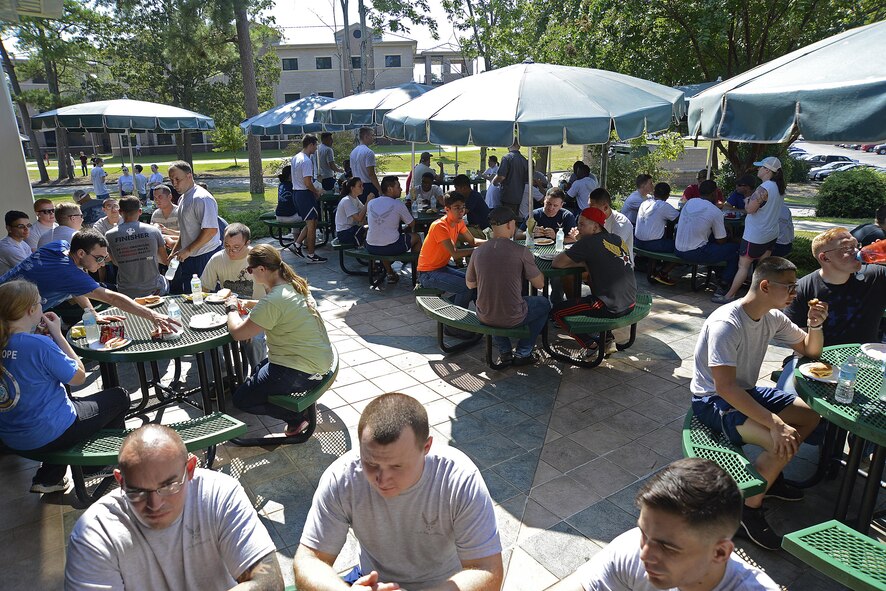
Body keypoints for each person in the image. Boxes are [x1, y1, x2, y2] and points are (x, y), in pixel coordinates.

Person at [294, 392, 503, 591]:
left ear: (426, 447)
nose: (382, 480)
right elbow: (309, 560)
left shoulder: (458, 479)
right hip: (371, 579)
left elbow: (487, 569)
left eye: (397, 466)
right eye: (370, 463)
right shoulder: (342, 477)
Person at [691, 257, 825, 549]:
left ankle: (770, 477)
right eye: (790, 287)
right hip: (712, 399)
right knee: (782, 442)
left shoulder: (771, 317)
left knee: (810, 417)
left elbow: (810, 350)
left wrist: (815, 325)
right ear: (765, 285)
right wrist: (775, 423)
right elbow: (725, 388)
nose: (795, 293)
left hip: (746, 391)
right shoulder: (727, 323)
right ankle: (747, 511)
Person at [65, 424, 283, 590]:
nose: (154, 504)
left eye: (168, 485)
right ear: (120, 481)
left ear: (190, 470)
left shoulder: (219, 493)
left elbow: (270, 580)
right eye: (138, 491)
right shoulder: (93, 535)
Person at [551, 458, 780, 591]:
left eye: (668, 547)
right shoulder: (632, 548)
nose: (645, 554)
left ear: (720, 552)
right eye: (644, 533)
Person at [0, 280, 129, 494]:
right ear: (31, 310)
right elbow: (78, 377)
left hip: (11, 437)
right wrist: (58, 336)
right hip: (47, 434)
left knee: (65, 405)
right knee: (119, 397)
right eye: (40, 302)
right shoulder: (39, 345)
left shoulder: (18, 342)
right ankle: (96, 466)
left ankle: (49, 478)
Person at [225, 245, 333, 437]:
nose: (249, 274)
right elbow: (279, 308)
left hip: (301, 370)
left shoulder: (273, 301)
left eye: (250, 269)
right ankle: (263, 391)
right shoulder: (294, 284)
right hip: (317, 359)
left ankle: (296, 417)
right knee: (259, 368)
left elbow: (238, 333)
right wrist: (251, 305)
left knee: (241, 400)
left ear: (261, 269)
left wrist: (231, 309)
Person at [0, 230, 178, 331]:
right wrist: (154, 316)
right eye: (99, 258)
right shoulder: (68, 272)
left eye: (105, 258)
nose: (102, 264)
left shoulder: (59, 246)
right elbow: (112, 298)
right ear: (80, 253)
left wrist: (92, 313)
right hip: (7, 317)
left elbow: (76, 287)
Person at [466, 207, 550, 366]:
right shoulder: (521, 251)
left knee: (495, 301)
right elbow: (540, 284)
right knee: (544, 303)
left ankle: (505, 351)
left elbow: (470, 284)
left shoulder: (478, 252)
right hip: (512, 315)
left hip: (484, 314)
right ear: (510, 225)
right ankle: (523, 351)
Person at [552, 207, 636, 352]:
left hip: (610, 307)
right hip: (630, 302)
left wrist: (582, 259)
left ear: (596, 226)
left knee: (556, 312)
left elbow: (557, 263)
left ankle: (591, 346)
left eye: (582, 225)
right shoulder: (616, 239)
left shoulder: (588, 243)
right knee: (590, 295)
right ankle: (607, 338)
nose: (578, 228)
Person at [784, 227, 886, 345]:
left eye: (856, 245)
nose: (856, 251)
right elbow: (798, 343)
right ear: (825, 258)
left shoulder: (876, 276)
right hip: (819, 359)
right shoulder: (803, 289)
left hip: (867, 357)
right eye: (847, 247)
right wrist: (814, 325)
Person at [715, 157, 786, 304]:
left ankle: (729, 296)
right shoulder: (779, 188)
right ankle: (759, 296)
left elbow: (750, 209)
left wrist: (747, 200)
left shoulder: (764, 188)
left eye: (760, 167)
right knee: (762, 268)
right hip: (771, 234)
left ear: (767, 170)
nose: (758, 169)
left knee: (743, 266)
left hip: (756, 235)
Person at [201, 223, 267, 370]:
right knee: (209, 339)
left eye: (236, 247)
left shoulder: (259, 260)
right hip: (229, 311)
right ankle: (226, 375)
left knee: (254, 340)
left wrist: (248, 322)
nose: (231, 252)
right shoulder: (217, 259)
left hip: (257, 310)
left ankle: (259, 373)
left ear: (248, 243)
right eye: (226, 246)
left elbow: (273, 297)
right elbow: (204, 290)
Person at [417, 192, 484, 307]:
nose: (461, 211)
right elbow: (455, 254)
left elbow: (472, 241)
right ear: (447, 209)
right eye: (457, 208)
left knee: (475, 284)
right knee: (465, 287)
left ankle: (450, 307)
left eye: (463, 207)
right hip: (427, 273)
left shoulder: (459, 223)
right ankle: (455, 321)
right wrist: (477, 251)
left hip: (441, 268)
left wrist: (493, 242)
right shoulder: (439, 226)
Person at [167, 160, 222, 293]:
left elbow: (211, 230)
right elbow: (185, 231)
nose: (174, 183)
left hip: (205, 256)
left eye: (177, 179)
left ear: (189, 176)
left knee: (207, 297)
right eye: (171, 180)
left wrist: (188, 250)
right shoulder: (183, 198)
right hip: (189, 257)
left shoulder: (201, 198)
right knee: (190, 296)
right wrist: (175, 250)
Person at [674, 180, 739, 290]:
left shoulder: (689, 202)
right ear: (714, 193)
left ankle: (718, 273)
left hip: (677, 249)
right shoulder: (715, 211)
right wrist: (730, 236)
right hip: (695, 252)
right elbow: (721, 241)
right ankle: (724, 282)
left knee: (713, 243)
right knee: (735, 250)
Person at [105, 196, 169, 298]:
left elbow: (115, 262)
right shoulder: (153, 231)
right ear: (140, 211)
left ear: (120, 212)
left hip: (126, 291)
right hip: (153, 289)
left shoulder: (109, 235)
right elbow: (165, 260)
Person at [366, 175, 421, 284]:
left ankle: (390, 273)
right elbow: (412, 223)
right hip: (390, 247)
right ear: (390, 189)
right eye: (398, 186)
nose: (401, 189)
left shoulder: (371, 203)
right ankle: (418, 273)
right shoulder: (398, 204)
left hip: (371, 246)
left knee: (384, 239)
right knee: (417, 237)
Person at [288, 135, 327, 264]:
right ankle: (311, 254)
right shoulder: (306, 161)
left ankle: (297, 244)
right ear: (310, 145)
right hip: (304, 194)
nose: (316, 149)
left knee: (312, 222)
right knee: (311, 226)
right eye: (315, 145)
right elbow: (307, 182)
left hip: (297, 193)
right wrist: (317, 192)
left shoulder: (295, 157)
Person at [635, 182, 681, 285]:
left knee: (661, 236)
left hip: (638, 242)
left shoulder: (645, 203)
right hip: (652, 244)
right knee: (684, 247)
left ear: (654, 192)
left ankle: (654, 270)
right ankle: (663, 273)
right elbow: (679, 219)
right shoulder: (664, 206)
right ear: (668, 195)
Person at [588, 188, 634, 264]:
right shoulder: (594, 220)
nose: (589, 211)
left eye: (592, 208)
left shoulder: (621, 223)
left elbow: (611, 251)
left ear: (605, 207)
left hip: (621, 269)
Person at [493, 138, 529, 216]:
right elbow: (526, 179)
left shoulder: (507, 158)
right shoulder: (524, 160)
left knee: (505, 218)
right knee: (513, 219)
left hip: (507, 195)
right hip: (519, 195)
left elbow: (501, 177)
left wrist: (494, 182)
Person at [335, 177, 370, 246]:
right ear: (352, 188)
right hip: (344, 233)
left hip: (352, 229)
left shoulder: (355, 199)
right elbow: (359, 218)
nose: (362, 188)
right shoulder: (346, 201)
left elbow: (365, 212)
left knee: (371, 228)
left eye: (362, 186)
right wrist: (367, 201)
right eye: (359, 186)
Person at [350, 127, 381, 202]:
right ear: (366, 136)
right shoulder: (369, 152)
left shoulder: (353, 152)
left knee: (360, 209)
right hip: (367, 186)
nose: (373, 138)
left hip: (356, 185)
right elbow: (371, 174)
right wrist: (380, 189)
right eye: (372, 135)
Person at [150, 183, 179, 249]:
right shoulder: (156, 214)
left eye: (160, 197)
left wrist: (166, 230)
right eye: (155, 198)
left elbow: (185, 235)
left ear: (169, 197)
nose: (157, 200)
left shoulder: (179, 212)